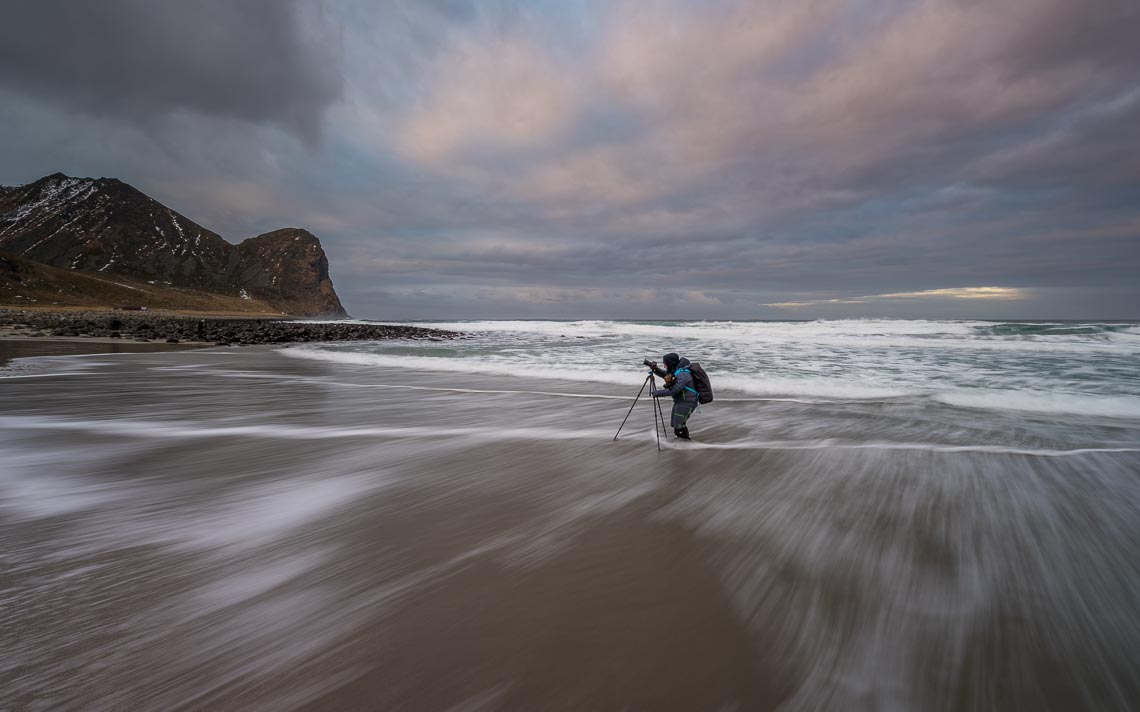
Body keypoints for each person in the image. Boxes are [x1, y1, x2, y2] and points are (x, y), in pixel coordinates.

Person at [649, 352, 699, 440]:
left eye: (665, 364)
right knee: (676, 424)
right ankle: (683, 443)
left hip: (687, 402)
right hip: (681, 401)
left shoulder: (683, 374)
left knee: (678, 425)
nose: (664, 366)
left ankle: (686, 443)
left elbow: (675, 390)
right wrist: (655, 369)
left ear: (670, 363)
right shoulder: (676, 370)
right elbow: (666, 374)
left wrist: (657, 393)